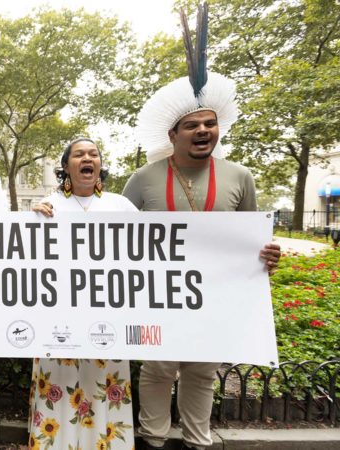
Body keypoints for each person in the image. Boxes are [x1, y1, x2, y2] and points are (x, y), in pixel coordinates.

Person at [122, 7, 280, 449]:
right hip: (156, 294)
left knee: (201, 372)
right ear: (173, 134)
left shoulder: (240, 177)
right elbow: (113, 235)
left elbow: (254, 237)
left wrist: (268, 254)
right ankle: (151, 439)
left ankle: (198, 441)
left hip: (215, 296)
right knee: (156, 370)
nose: (203, 130)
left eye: (210, 124)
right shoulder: (142, 179)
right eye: (192, 125)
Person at [30, 138, 137, 450]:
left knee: (103, 387)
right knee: (59, 386)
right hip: (58, 318)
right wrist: (30, 219)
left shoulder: (121, 206)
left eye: (93, 154)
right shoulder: (47, 205)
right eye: (79, 154)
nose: (87, 158)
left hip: (108, 318)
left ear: (100, 165)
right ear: (66, 166)